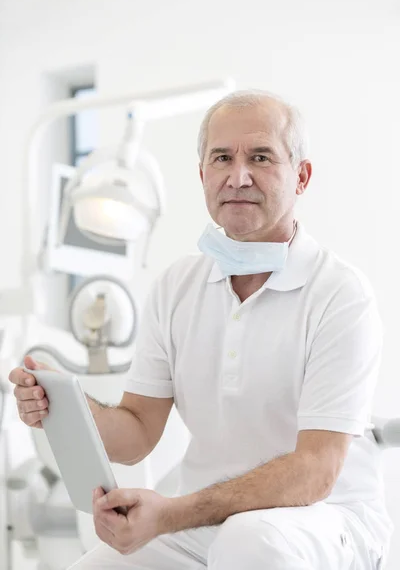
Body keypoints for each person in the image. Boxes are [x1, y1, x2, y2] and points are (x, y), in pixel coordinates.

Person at [10, 90, 393, 569]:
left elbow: (314, 472)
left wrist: (170, 513)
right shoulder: (178, 287)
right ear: (202, 175)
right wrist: (67, 407)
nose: (239, 176)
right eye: (221, 158)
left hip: (324, 519)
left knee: (249, 542)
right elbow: (137, 431)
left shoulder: (339, 294)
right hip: (206, 523)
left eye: (260, 156)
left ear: (302, 176)